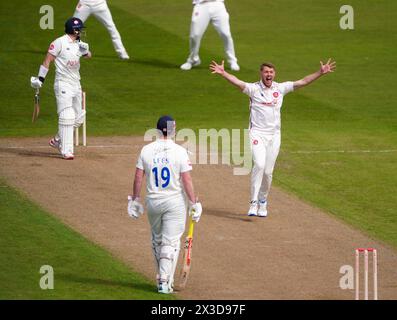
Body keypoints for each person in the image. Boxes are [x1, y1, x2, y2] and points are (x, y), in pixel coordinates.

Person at [210, 59, 336, 217]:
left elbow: (302, 82)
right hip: (257, 133)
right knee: (259, 164)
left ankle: (263, 201)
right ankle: (253, 202)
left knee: (268, 172)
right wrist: (223, 73)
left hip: (274, 135)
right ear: (261, 73)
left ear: (274, 74)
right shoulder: (253, 89)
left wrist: (320, 73)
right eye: (266, 72)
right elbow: (238, 82)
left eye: (271, 72)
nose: (268, 74)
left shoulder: (280, 88)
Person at [127, 115, 202, 294]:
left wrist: (135, 199)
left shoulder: (146, 150)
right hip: (174, 202)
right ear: (173, 130)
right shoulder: (179, 151)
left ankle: (162, 277)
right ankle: (164, 280)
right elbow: (186, 179)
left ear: (158, 130)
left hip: (153, 201)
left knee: (157, 240)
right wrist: (194, 202)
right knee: (171, 242)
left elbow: (138, 175)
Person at [30, 17, 92, 160]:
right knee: (67, 115)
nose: (81, 32)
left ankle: (58, 140)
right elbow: (47, 61)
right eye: (80, 29)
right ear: (74, 30)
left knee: (79, 117)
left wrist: (87, 52)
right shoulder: (59, 43)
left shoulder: (80, 44)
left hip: (76, 83)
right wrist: (40, 79)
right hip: (63, 83)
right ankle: (66, 151)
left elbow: (88, 56)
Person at [181, 0, 239, 71]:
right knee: (195, 35)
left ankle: (232, 61)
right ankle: (193, 60)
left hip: (218, 5)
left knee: (226, 34)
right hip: (201, 5)